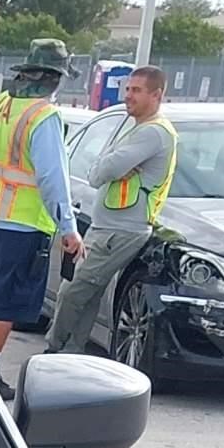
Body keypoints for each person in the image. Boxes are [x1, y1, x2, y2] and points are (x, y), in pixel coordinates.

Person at [0, 38, 82, 398]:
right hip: (23, 223)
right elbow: (52, 177)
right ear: (53, 78)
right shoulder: (43, 116)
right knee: (7, 300)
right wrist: (69, 229)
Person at [48, 64, 178, 357]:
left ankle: (55, 347)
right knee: (89, 293)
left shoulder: (153, 134)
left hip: (121, 230)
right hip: (108, 226)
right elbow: (104, 169)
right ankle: (71, 352)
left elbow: (100, 172)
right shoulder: (138, 129)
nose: (127, 96)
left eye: (136, 91)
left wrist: (109, 165)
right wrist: (109, 165)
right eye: (127, 89)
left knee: (75, 291)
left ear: (156, 95)